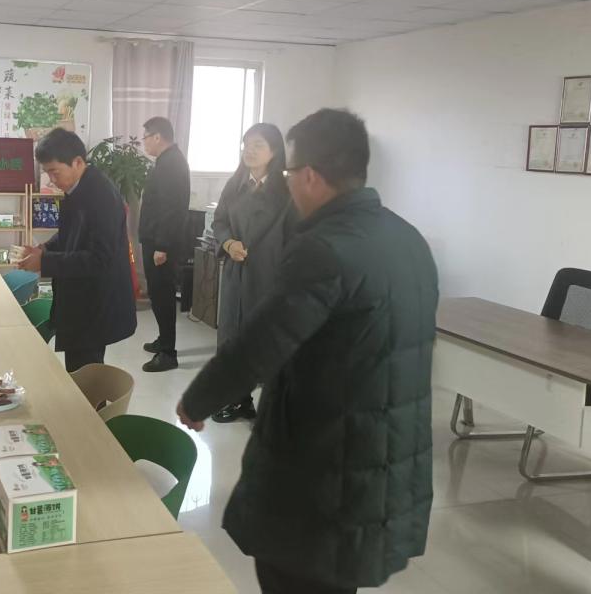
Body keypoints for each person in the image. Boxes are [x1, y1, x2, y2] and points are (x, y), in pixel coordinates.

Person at [177, 109, 438, 594]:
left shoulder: (323, 249)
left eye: (290, 172)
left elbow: (260, 344)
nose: (288, 183)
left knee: (297, 577)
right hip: (383, 460)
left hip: (324, 463)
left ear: (311, 177)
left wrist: (197, 401)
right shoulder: (408, 240)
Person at [17, 128, 137, 372]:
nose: (51, 179)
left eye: (55, 171)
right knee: (80, 368)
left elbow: (99, 259)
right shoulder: (78, 187)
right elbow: (70, 233)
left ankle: (90, 400)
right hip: (81, 297)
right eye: (47, 172)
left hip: (95, 302)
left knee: (86, 373)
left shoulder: (101, 196)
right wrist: (44, 248)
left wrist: (45, 262)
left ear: (78, 162)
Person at [210, 123, 293, 422]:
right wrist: (228, 243)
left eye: (258, 145)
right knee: (232, 338)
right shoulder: (235, 185)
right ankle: (238, 401)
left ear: (274, 151)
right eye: (247, 144)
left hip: (271, 277)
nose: (250, 150)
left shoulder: (288, 191)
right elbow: (219, 222)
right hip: (237, 274)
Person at [137, 116, 191, 373]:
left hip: (162, 244)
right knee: (158, 294)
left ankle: (168, 353)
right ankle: (163, 339)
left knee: (163, 295)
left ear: (157, 137)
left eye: (146, 137)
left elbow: (172, 209)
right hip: (156, 239)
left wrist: (162, 246)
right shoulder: (167, 160)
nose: (144, 143)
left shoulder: (172, 164)